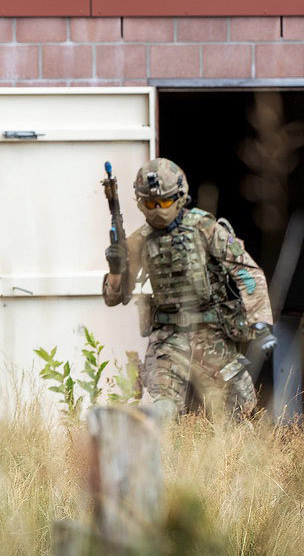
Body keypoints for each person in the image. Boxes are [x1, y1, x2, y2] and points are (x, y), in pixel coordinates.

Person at [103, 158, 276, 420]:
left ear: (180, 197)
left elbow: (246, 271)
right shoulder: (140, 239)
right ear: (140, 203)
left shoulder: (205, 229)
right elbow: (114, 297)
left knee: (241, 407)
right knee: (163, 408)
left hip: (211, 334)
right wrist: (116, 269)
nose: (158, 210)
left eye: (165, 202)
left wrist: (260, 322)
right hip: (168, 338)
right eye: (151, 204)